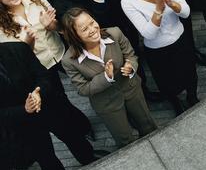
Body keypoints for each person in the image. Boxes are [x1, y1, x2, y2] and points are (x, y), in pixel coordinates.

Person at [0, 0, 97, 159]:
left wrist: (52, 26)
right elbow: (14, 57)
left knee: (79, 85)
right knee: (60, 100)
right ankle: (82, 129)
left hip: (60, 53)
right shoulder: (2, 25)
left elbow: (60, 26)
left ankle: (81, 128)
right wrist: (27, 44)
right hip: (41, 66)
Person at [61, 8, 157, 147]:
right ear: (74, 35)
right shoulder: (69, 61)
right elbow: (82, 89)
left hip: (131, 90)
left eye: (92, 22)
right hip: (106, 103)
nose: (93, 29)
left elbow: (130, 55)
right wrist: (106, 77)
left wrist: (131, 66)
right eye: (84, 29)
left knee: (148, 126)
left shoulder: (115, 33)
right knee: (125, 140)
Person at [118, 0, 197, 114]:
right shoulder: (127, 1)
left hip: (181, 39)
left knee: (190, 73)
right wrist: (159, 9)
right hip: (158, 50)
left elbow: (186, 13)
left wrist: (171, 4)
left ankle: (192, 97)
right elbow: (148, 34)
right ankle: (176, 103)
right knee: (167, 82)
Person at [0, 41, 66, 170]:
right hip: (4, 136)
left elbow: (43, 76)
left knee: (50, 164)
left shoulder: (18, 49)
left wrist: (38, 93)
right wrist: (23, 110)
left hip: (35, 125)